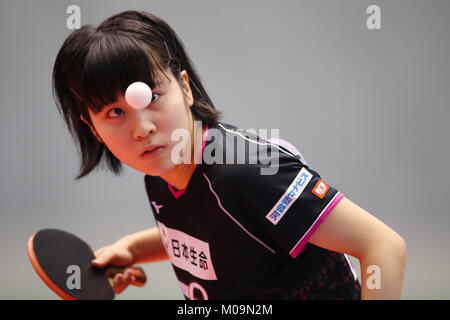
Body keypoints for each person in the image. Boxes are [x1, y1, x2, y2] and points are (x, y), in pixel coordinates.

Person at [52, 10, 406, 300]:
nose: (141, 127)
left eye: (153, 98)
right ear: (93, 128)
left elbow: (382, 246)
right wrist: (131, 249)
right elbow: (214, 231)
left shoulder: (249, 171)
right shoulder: (161, 182)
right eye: (115, 113)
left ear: (185, 88)